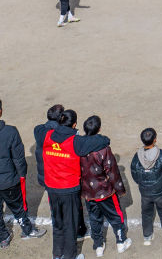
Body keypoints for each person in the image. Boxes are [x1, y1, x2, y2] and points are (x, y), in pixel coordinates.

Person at [37, 109, 111, 259]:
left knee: (57, 221)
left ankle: (57, 254)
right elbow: (103, 140)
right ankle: (70, 256)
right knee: (70, 223)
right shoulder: (76, 141)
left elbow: (39, 127)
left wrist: (56, 127)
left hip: (52, 187)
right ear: (75, 124)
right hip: (68, 189)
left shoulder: (45, 135)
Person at [0, 97, 45, 247]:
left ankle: (3, 237)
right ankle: (27, 230)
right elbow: (18, 158)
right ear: (0, 112)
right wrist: (22, 174)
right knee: (18, 207)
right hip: (8, 180)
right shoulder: (10, 131)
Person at [79, 117, 130, 257]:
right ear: (99, 129)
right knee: (115, 216)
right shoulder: (104, 149)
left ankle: (98, 246)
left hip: (88, 193)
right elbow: (112, 171)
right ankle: (121, 242)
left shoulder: (78, 148)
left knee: (94, 219)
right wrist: (120, 189)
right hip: (105, 191)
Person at [130, 128, 162, 246]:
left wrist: (142, 184)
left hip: (145, 192)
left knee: (146, 214)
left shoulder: (137, 156)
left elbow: (134, 173)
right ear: (155, 140)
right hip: (161, 191)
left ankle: (147, 237)